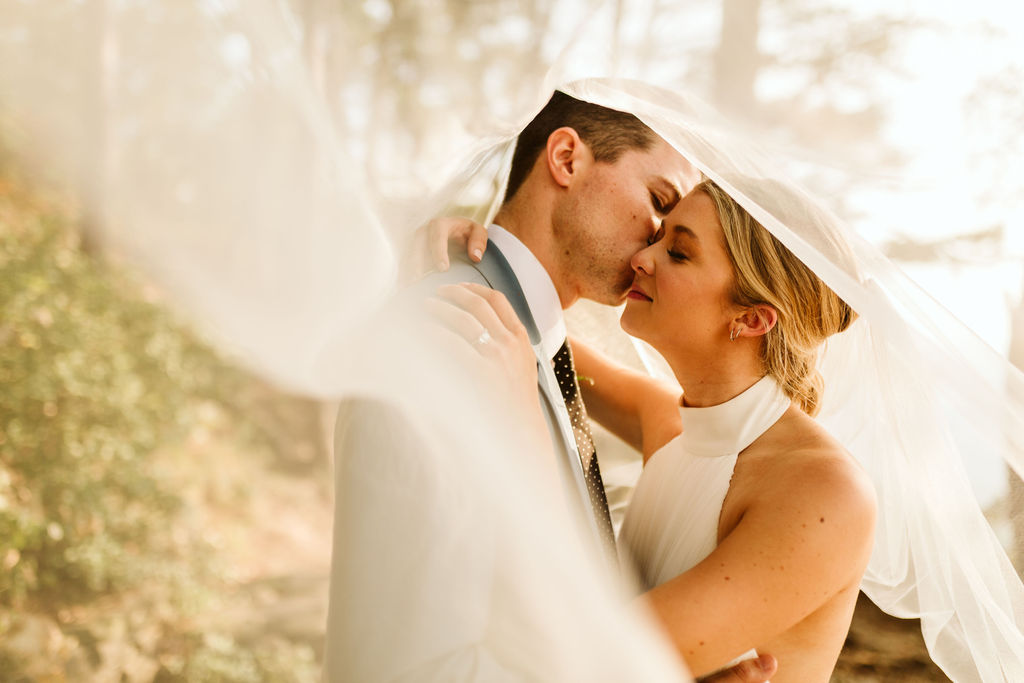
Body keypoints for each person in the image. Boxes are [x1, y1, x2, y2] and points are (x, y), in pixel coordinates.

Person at [325, 91, 777, 682]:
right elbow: (405, 666)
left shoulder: (540, 349)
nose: (655, 248)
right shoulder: (450, 338)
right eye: (658, 202)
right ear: (566, 158)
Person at [433, 176, 877, 680]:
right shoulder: (671, 422)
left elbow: (593, 663)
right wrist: (461, 259)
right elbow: (528, 335)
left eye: (680, 253)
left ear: (752, 320)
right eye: (659, 237)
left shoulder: (824, 494)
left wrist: (523, 425)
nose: (642, 259)